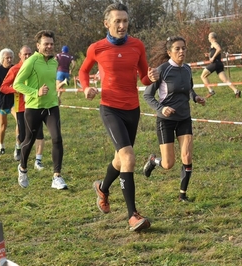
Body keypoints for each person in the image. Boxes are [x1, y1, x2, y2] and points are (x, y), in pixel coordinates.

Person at [79, 3, 159, 232]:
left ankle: (102, 187)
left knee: (120, 159)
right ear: (107, 24)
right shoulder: (97, 48)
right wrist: (86, 88)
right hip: (110, 108)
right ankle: (132, 215)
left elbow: (144, 78)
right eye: (117, 21)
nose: (122, 25)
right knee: (129, 157)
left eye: (125, 21)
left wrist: (150, 77)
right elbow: (83, 71)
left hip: (132, 109)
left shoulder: (137, 45)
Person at [143, 36, 206, 202]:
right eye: (177, 49)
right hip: (166, 120)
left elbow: (189, 88)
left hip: (184, 117)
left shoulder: (187, 69)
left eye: (184, 48)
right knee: (168, 163)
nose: (181, 52)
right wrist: (161, 108)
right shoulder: (162, 70)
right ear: (169, 52)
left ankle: (182, 195)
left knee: (187, 156)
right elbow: (147, 95)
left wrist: (195, 97)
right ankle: (153, 161)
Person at [13, 30, 67, 190]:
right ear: (38, 45)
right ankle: (22, 168)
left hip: (51, 106)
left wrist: (57, 90)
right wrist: (35, 92)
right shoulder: (31, 61)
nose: (49, 47)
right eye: (46, 44)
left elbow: (50, 81)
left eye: (51, 44)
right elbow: (17, 84)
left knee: (57, 138)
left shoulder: (54, 61)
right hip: (34, 107)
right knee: (28, 141)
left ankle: (57, 176)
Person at [0, 45, 45, 170]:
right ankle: (18, 147)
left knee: (39, 133)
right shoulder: (15, 69)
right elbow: (4, 87)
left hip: (37, 104)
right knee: (23, 136)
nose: (28, 56)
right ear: (19, 55)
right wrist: (17, 88)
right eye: (25, 54)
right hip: (21, 107)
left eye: (30, 54)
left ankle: (38, 161)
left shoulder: (37, 66)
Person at [201, 32, 241, 98]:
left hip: (215, 63)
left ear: (212, 37)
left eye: (208, 37)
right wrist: (209, 55)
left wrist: (213, 57)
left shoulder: (214, 43)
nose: (208, 38)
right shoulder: (213, 44)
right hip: (219, 64)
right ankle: (236, 91)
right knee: (225, 80)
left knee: (203, 76)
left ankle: (211, 91)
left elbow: (219, 49)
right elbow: (215, 51)